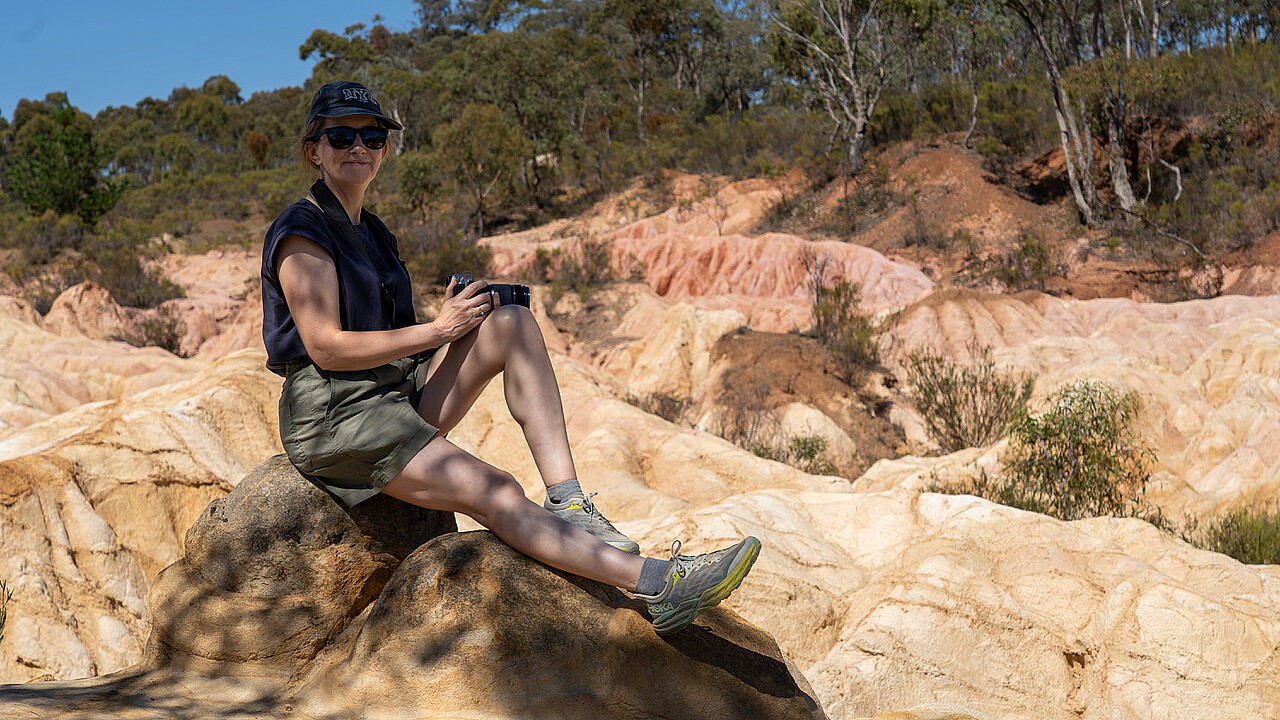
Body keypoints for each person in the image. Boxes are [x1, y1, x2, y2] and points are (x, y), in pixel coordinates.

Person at [260, 80, 759, 634]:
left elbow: (389, 333)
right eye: (341, 136)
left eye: (372, 136)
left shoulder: (373, 231)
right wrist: (435, 333)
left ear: (384, 148)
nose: (359, 146)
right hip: (337, 414)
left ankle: (568, 500)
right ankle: (660, 583)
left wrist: (450, 321)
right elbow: (326, 346)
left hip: (391, 391)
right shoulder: (302, 229)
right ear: (315, 149)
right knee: (495, 490)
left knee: (510, 321)